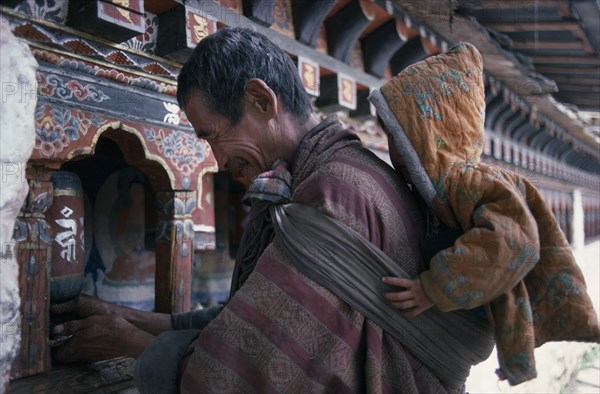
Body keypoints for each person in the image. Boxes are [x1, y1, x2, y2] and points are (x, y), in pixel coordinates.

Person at [52, 28, 495, 393]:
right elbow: (250, 317)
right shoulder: (340, 174)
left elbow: (248, 368)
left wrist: (128, 342)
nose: (219, 161)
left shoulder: (332, 193)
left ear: (262, 101)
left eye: (212, 135)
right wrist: (130, 317)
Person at [368, 42, 599, 385]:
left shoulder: (466, 182)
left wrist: (432, 288)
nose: (394, 148)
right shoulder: (445, 187)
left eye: (399, 134)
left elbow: (515, 243)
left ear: (430, 134)